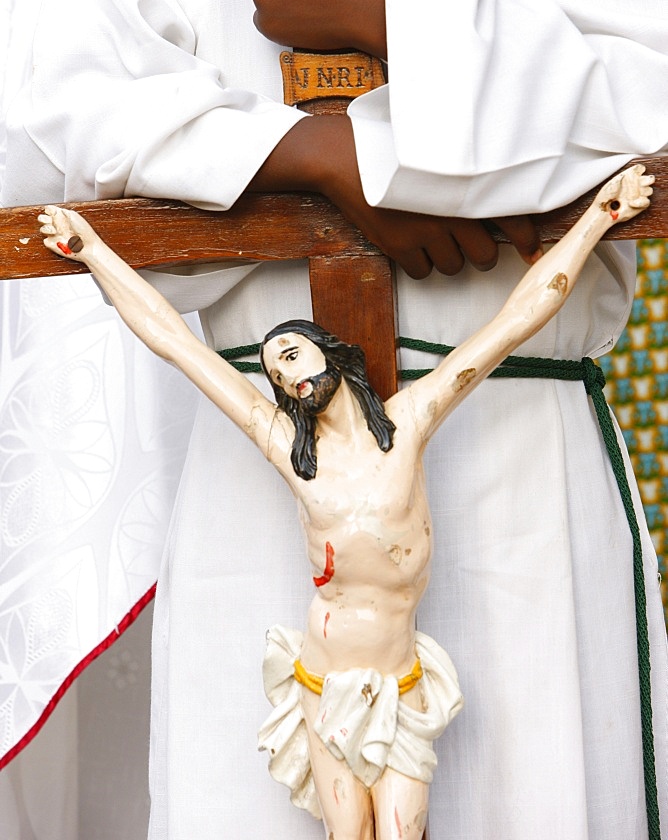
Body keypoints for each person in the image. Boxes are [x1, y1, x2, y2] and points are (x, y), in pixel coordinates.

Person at [4, 0, 668, 838]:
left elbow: (644, 89)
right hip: (252, 471)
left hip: (516, 460)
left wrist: (395, 13)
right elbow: (58, 109)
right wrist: (314, 156)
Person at [37, 164, 653, 839]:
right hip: (321, 682)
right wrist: (95, 253)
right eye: (275, 373)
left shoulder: (410, 423)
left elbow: (514, 320)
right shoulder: (292, 455)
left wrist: (599, 217)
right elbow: (178, 343)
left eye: (293, 355)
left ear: (332, 355)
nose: (287, 376)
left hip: (403, 679)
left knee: (401, 831)